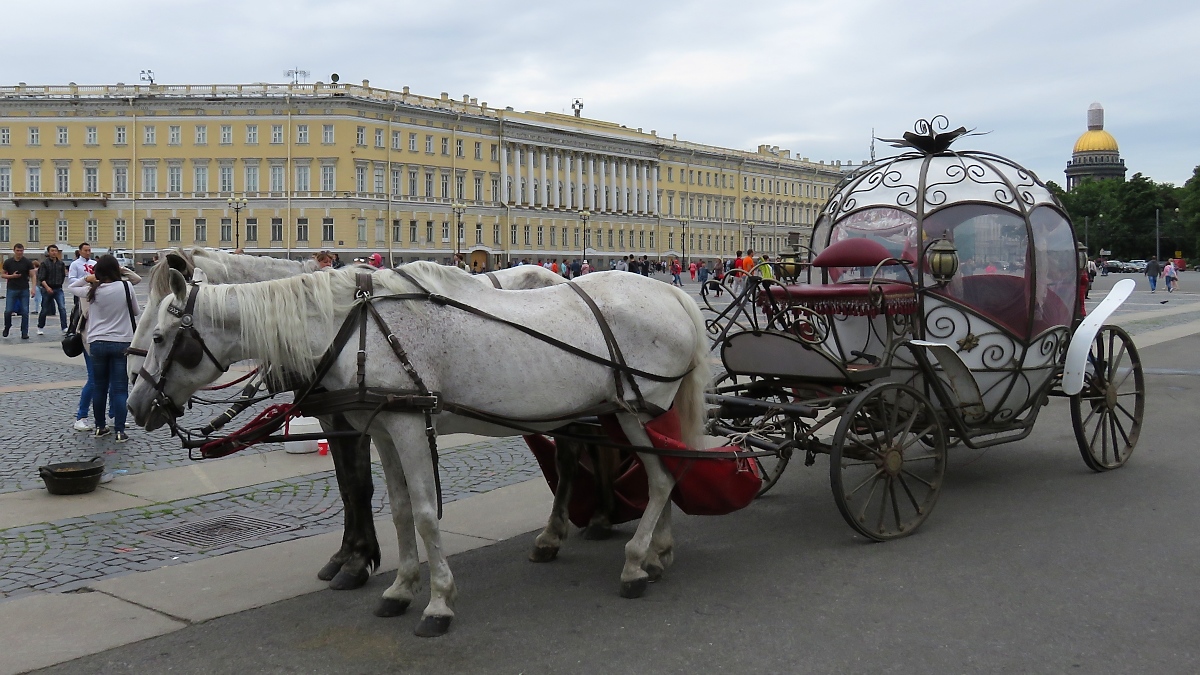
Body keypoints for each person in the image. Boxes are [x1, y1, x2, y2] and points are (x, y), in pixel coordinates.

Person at [68, 255, 140, 442]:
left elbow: (71, 287)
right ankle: (119, 430)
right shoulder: (126, 287)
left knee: (99, 387)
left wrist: (87, 278)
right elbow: (136, 311)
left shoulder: (93, 290)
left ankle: (100, 427)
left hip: (97, 342)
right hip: (122, 341)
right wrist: (123, 272)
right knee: (120, 388)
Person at [2, 243, 36, 339]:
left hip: (24, 289)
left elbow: (33, 275)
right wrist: (12, 276)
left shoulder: (27, 262)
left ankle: (24, 332)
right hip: (12, 289)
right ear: (14, 251)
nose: (19, 253)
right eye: (18, 251)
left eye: (21, 251)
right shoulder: (8, 262)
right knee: (8, 311)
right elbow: (2, 275)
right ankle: (7, 326)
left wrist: (33, 288)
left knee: (25, 312)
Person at [37, 244, 68, 335]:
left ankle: (64, 327)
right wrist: (47, 287)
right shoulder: (44, 264)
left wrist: (60, 284)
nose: (54, 253)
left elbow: (63, 275)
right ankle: (40, 327)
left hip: (58, 288)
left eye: (55, 251)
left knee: (62, 308)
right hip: (47, 288)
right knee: (45, 309)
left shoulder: (61, 264)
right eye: (52, 251)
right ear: (49, 252)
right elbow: (41, 278)